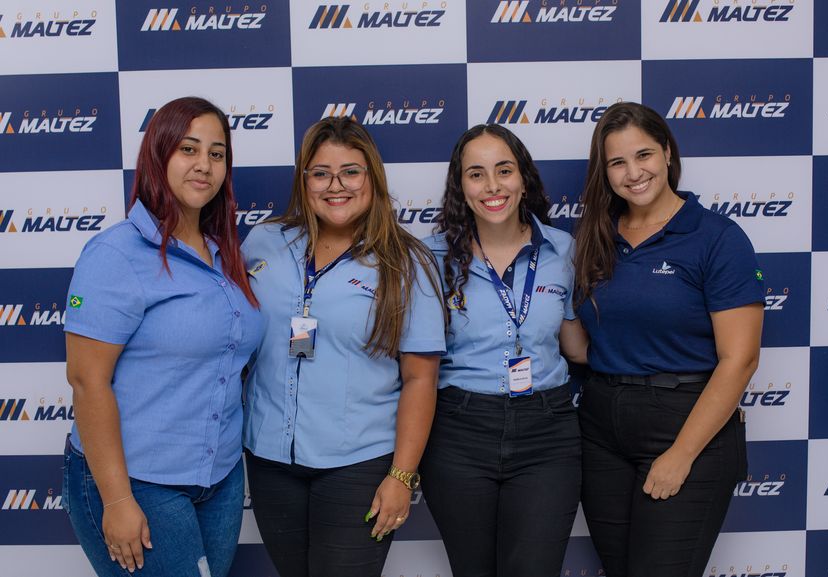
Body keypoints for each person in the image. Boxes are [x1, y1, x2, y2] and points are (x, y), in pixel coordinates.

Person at [63, 96, 263, 577]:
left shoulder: (225, 254)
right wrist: (116, 499)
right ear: (159, 154)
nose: (204, 165)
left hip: (219, 477)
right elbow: (88, 381)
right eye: (188, 149)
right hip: (137, 480)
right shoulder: (116, 253)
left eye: (217, 153)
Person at [241, 117, 446, 577]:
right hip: (270, 459)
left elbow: (420, 379)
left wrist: (401, 476)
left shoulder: (407, 263)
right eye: (321, 173)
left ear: (372, 177)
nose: (336, 186)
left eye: (351, 172)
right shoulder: (264, 243)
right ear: (304, 180)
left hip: (358, 464)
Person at [572, 102, 764, 577]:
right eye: (617, 162)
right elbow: (582, 343)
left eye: (644, 155)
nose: (633, 173)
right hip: (602, 430)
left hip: (684, 427)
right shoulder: (596, 236)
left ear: (667, 153)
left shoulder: (717, 237)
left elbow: (740, 359)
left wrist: (681, 455)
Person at [420, 124, 585, 577]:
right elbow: (413, 362)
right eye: (476, 174)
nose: (492, 186)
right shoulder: (429, 258)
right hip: (459, 430)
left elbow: (575, 345)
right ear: (461, 187)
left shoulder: (563, 250)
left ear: (524, 179)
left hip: (547, 430)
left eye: (504, 170)